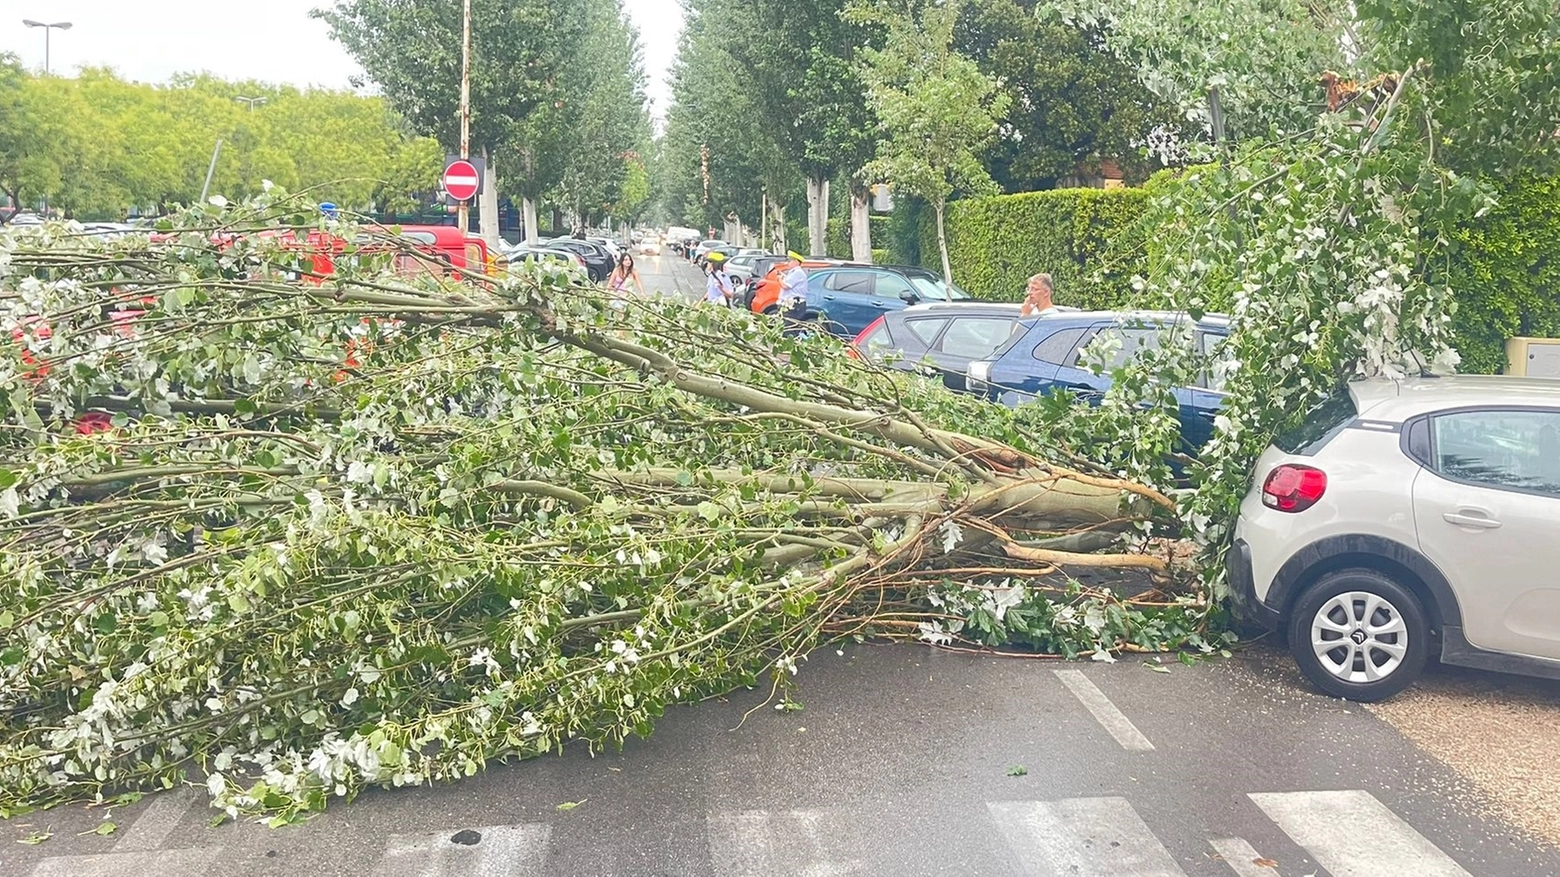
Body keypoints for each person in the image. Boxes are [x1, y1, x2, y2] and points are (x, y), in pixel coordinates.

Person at [778, 251, 810, 320]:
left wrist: (779, 279)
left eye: (790, 261)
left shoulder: (797, 272)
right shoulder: (793, 272)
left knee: (789, 327)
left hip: (794, 305)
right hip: (791, 304)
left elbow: (785, 286)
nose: (787, 263)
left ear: (796, 262)